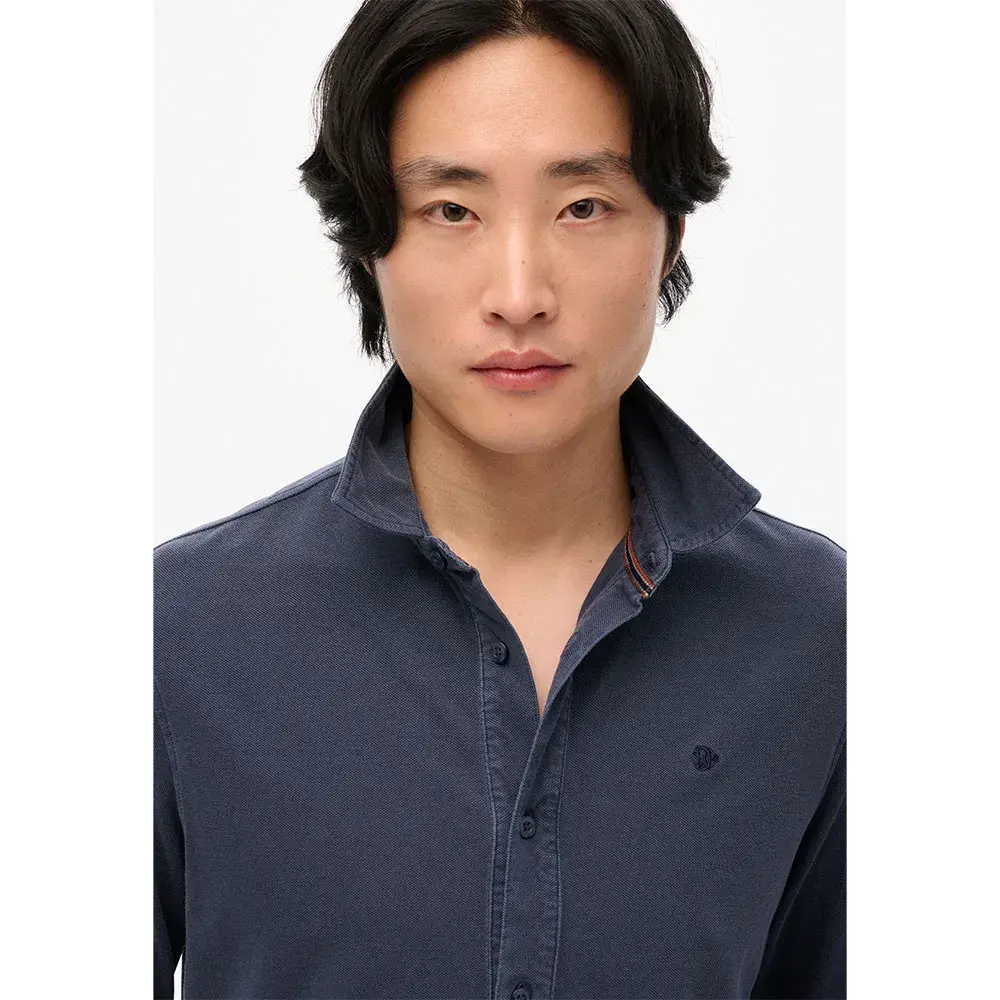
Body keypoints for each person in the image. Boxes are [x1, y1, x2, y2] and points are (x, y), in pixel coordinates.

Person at [154, 1, 846, 998]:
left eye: (583, 207)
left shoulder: (821, 634)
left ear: (671, 230)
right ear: (367, 238)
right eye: (452, 210)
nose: (519, 294)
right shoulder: (177, 631)